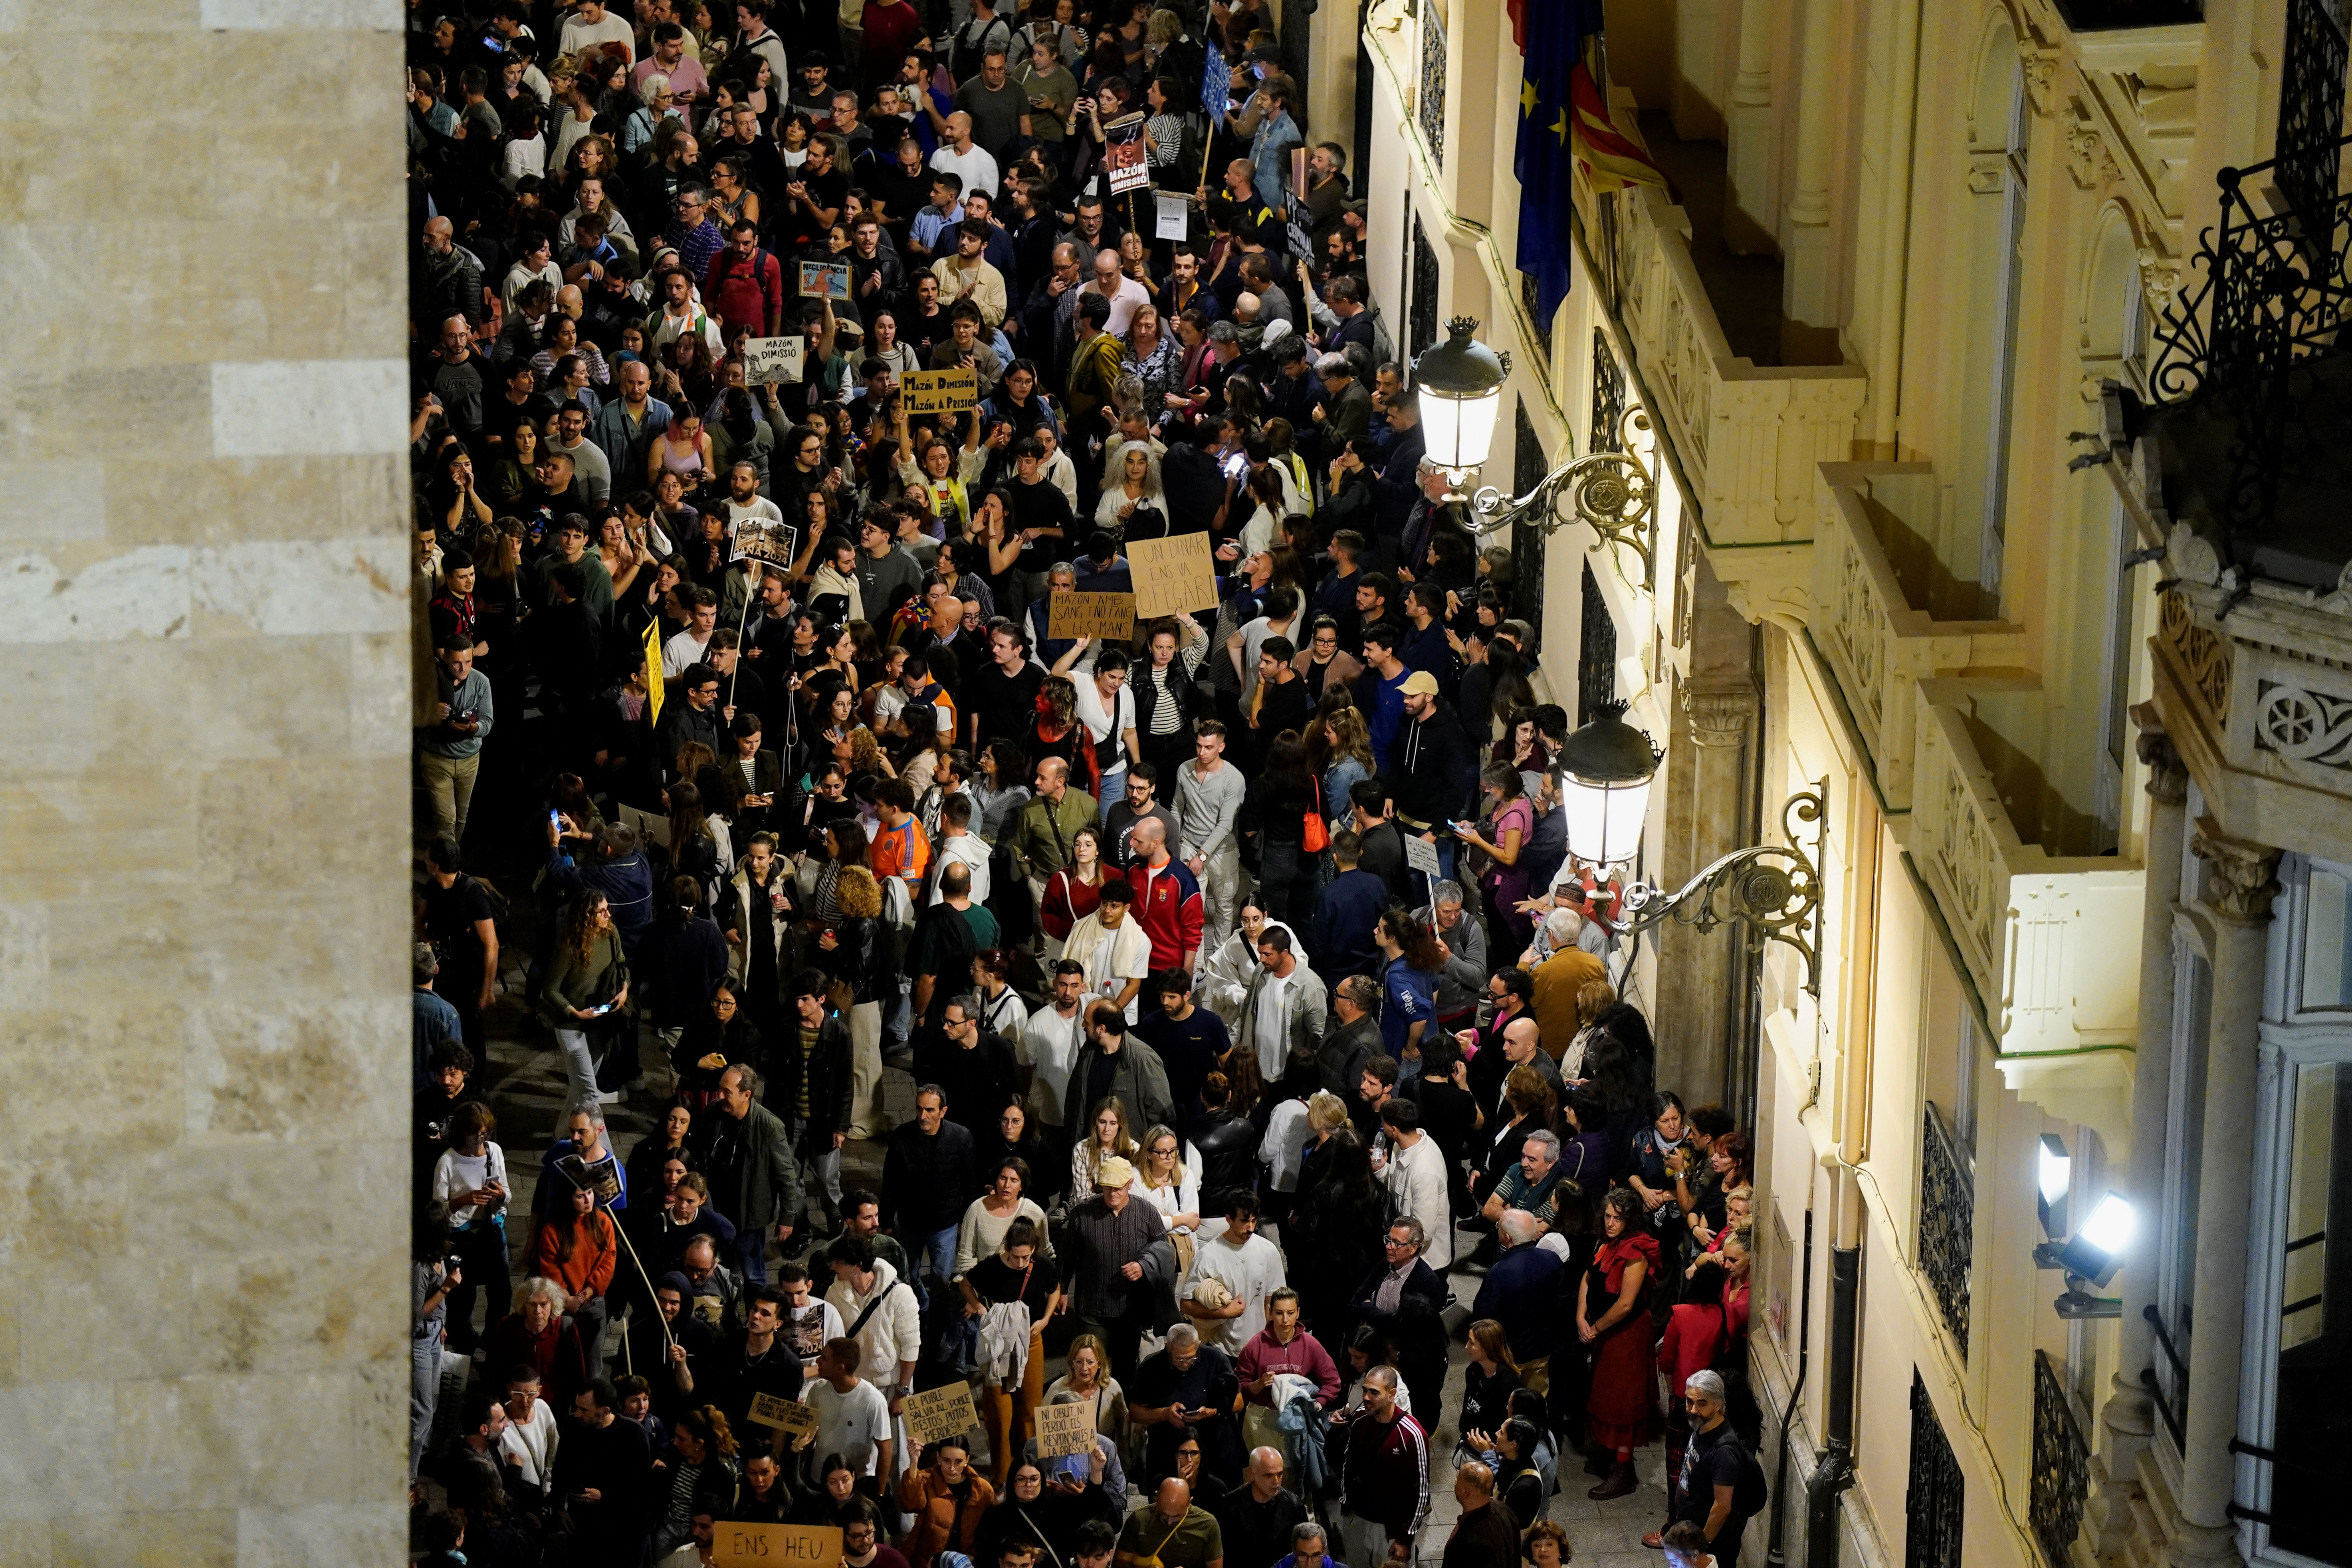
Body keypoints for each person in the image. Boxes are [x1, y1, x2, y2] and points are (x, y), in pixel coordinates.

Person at [963, 1215, 1063, 1485]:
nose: (1021, 1263)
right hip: (1000, 1341)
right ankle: (1002, 1472)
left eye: (1026, 1257)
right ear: (1007, 1249)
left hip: (1030, 1339)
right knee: (999, 1408)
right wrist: (979, 1307)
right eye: (1016, 1257)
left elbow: (1054, 1289)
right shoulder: (992, 1267)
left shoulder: (1041, 1264)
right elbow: (965, 1283)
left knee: (1029, 1406)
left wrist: (1045, 1319)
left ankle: (1028, 1466)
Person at [1580, 1187, 1662, 1499]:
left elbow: (1626, 1304)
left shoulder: (1636, 1252)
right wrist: (1580, 1317)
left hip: (1625, 1334)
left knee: (1622, 1402)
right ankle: (1607, 1454)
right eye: (1608, 1216)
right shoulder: (1605, 1242)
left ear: (1630, 1220)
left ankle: (1623, 1471)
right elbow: (1587, 1279)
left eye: (1617, 1218)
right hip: (1605, 1331)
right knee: (1604, 1394)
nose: (1611, 1222)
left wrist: (1596, 1328)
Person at [1065, 1155, 1167, 1378]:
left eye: (1118, 1188)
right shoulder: (1082, 1214)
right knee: (1089, 1369)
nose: (1112, 1194)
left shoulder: (1146, 1212)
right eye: (1107, 1188)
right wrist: (1062, 1291)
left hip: (1131, 1309)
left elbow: (1163, 1249)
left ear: (1130, 1184)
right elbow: (1068, 1258)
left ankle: (1122, 1410)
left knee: (1126, 1368)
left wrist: (1143, 1266)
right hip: (1092, 1307)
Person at [703, 1063, 805, 1286]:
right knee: (718, 1271)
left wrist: (787, 1218)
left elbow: (787, 1177)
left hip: (747, 1216)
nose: (720, 1096)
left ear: (746, 1095)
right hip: (717, 1209)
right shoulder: (714, 1113)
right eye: (721, 1089)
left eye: (727, 1092)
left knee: (753, 1276)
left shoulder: (769, 1127)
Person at [1347, 1218, 1446, 1431]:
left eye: (1396, 1243)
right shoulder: (1385, 1265)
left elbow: (1401, 1325)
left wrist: (1369, 1310)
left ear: (1414, 1248)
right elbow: (1358, 1299)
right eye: (1388, 1240)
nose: (1389, 1246)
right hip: (1377, 1352)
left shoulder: (1426, 1281)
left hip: (1405, 1362)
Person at [881, 1082, 981, 1292]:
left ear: (943, 1111)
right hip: (911, 1222)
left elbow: (971, 1183)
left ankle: (938, 1317)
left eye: (930, 1110)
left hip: (944, 1223)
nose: (923, 1116)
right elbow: (891, 1181)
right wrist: (887, 1220)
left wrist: (966, 1220)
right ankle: (921, 1306)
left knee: (941, 1277)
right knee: (908, 1274)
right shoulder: (902, 1137)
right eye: (919, 1108)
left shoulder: (961, 1138)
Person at [1654, 1370, 1758, 1566]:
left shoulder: (1724, 1451)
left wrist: (1703, 1545)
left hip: (1712, 1547)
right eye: (1689, 1402)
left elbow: (1722, 1506)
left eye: (1702, 1404)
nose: (1693, 1410)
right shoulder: (1701, 1426)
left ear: (1718, 1405)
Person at [1333, 1366, 1428, 1568]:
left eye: (1374, 1392)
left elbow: (1420, 1492)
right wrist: (1346, 1504)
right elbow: (1348, 1466)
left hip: (1389, 1530)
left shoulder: (1413, 1435)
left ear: (1392, 1394)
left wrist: (1405, 1538)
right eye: (1365, 1390)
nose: (1366, 1397)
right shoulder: (1359, 1420)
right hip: (1357, 1520)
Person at [1181, 1189, 1286, 1358]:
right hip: (1222, 1350)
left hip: (1259, 1348)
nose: (1250, 1228)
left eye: (1254, 1221)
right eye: (1244, 1221)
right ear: (1229, 1219)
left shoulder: (1268, 1251)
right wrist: (1224, 1314)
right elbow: (1186, 1304)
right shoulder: (1208, 1256)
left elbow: (1273, 1301)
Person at [897, 1434, 997, 1568]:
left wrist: (975, 1554)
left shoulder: (982, 1489)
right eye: (947, 1461)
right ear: (938, 1457)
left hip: (966, 1562)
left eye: (958, 1462)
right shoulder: (927, 1481)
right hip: (929, 1561)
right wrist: (914, 1462)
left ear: (967, 1459)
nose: (952, 1468)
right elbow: (910, 1505)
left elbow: (992, 1527)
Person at [1439, 1463, 1521, 1568]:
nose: (1455, 1482)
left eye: (1457, 1480)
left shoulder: (1471, 1543)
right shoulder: (1504, 1509)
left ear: (1465, 1491)